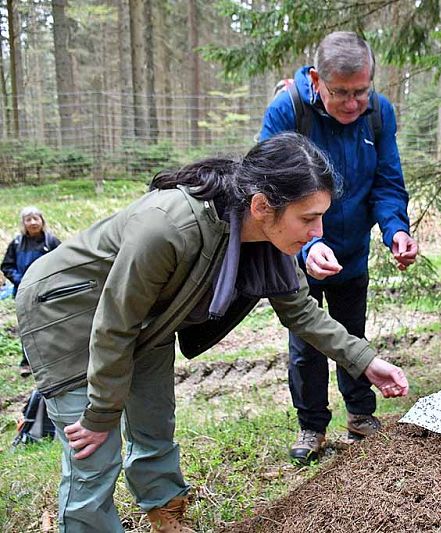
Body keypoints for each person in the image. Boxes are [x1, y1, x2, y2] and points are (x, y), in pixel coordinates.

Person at [15, 132, 409, 533]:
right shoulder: (168, 226)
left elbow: (303, 313)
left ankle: (164, 511)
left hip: (146, 317)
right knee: (95, 448)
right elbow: (115, 324)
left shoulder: (267, 237)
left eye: (321, 216)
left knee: (153, 418)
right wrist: (101, 412)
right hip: (66, 309)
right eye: (308, 218)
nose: (317, 231)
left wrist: (366, 362)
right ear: (262, 205)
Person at [258, 31, 418, 463]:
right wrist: (308, 248)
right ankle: (312, 425)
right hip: (296, 251)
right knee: (307, 341)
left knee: (352, 332)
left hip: (352, 252)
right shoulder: (288, 112)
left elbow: (387, 181)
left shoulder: (378, 116)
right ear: (316, 80)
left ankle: (361, 416)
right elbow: (267, 195)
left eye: (361, 92)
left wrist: (395, 229)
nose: (352, 104)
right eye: (341, 93)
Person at [2, 206, 60, 376]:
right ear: (23, 223)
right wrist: (22, 280)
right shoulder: (17, 244)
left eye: (36, 218)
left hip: (47, 291)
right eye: (28, 219)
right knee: (28, 327)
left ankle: (52, 360)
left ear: (42, 221)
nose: (33, 222)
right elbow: (7, 266)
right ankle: (27, 362)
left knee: (51, 325)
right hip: (24, 292)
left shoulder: (52, 242)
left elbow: (63, 263)